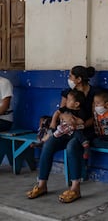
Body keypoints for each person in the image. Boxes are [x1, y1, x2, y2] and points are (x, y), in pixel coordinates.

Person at [26, 65, 100, 203]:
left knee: (72, 146)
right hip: (65, 131)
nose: (69, 79)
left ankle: (75, 188)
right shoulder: (68, 93)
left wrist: (80, 125)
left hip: (84, 132)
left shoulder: (95, 93)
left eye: (71, 76)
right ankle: (42, 185)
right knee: (48, 145)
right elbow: (61, 112)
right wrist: (64, 117)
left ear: (79, 79)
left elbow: (95, 117)